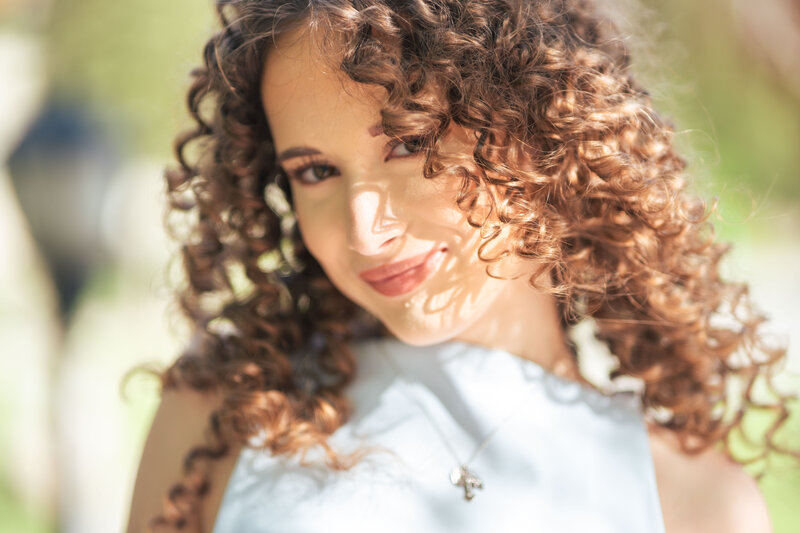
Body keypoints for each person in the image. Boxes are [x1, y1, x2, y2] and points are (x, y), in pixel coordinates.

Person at [125, 1, 798, 532]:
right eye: (315, 171)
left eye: (411, 142)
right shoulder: (223, 415)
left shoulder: (693, 503)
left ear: (538, 123)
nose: (366, 231)